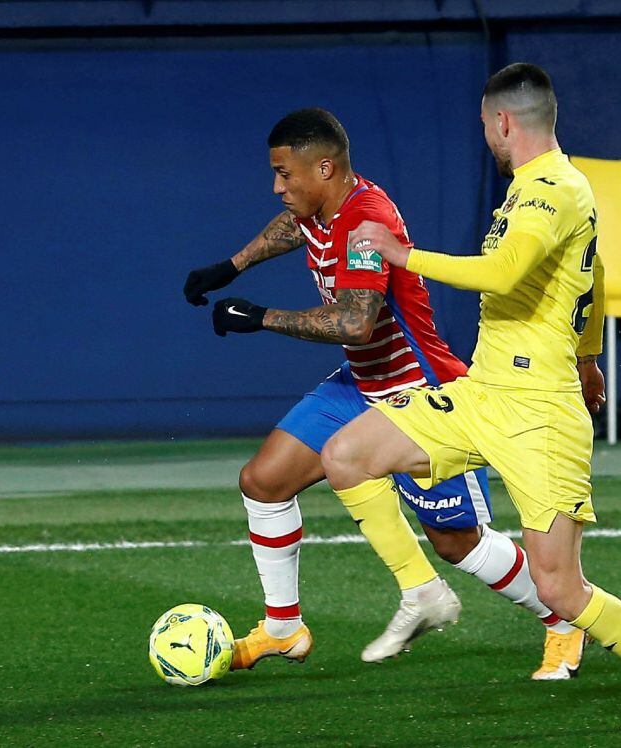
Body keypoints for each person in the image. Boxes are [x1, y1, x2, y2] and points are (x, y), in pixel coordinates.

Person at [325, 65, 621, 730]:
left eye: (484, 125)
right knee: (348, 454)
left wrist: (399, 253)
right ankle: (423, 590)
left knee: (559, 586)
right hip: (485, 393)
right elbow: (596, 274)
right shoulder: (536, 189)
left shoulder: (552, 190)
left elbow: (500, 273)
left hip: (538, 415)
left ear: (503, 121)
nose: (485, 137)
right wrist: (588, 356)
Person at [184, 108, 588, 678]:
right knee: (264, 481)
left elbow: (355, 324)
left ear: (323, 168)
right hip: (360, 383)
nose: (277, 187)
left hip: (422, 389)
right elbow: (292, 228)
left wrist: (262, 317)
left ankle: (562, 619)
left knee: (456, 542)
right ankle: (283, 628)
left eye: (284, 174)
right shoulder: (318, 207)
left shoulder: (367, 219)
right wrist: (231, 266)